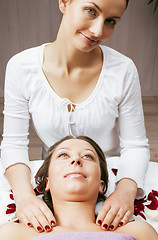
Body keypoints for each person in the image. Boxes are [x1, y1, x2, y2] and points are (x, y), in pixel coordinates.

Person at [0, 0, 150, 233]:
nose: (98, 31)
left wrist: (125, 191)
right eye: (91, 11)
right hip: (60, 177)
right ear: (64, 2)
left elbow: (135, 144)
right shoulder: (21, 67)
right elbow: (13, 142)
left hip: (103, 178)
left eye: (110, 21)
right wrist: (24, 196)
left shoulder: (123, 70)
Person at [0, 136, 157, 240]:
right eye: (63, 155)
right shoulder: (13, 235)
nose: (76, 160)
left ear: (101, 185)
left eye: (88, 156)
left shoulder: (139, 232)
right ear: (47, 182)